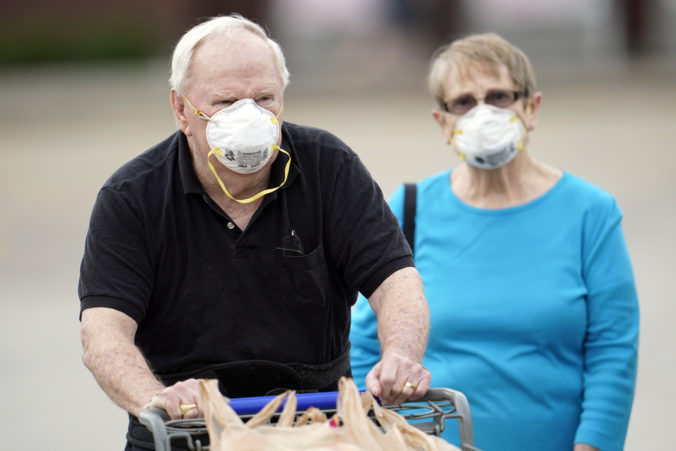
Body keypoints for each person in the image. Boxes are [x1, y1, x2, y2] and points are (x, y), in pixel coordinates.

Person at [78, 14, 431, 450]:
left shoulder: (328, 167)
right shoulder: (132, 197)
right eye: (226, 102)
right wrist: (153, 396)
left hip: (318, 425)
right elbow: (103, 333)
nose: (249, 117)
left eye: (264, 98)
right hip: (185, 429)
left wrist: (400, 355)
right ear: (181, 109)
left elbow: (395, 280)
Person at [350, 33, 639, 451]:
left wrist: (593, 446)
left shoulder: (590, 212)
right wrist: (375, 435)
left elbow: (613, 351)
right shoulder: (411, 208)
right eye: (463, 102)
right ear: (442, 122)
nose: (482, 113)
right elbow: (363, 344)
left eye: (499, 96)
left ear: (531, 108)